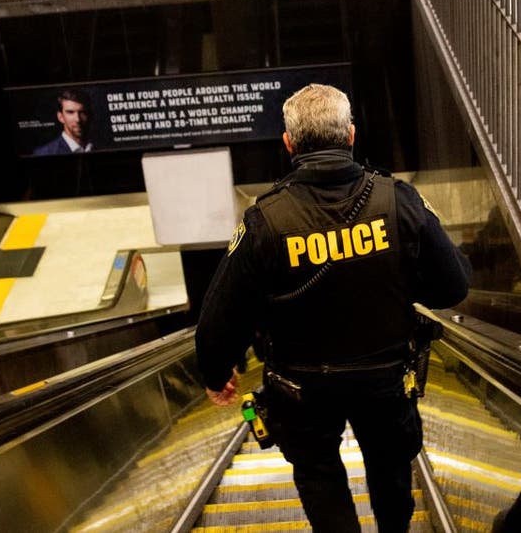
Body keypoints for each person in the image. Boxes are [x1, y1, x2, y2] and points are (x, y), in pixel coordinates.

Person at [196, 84, 472, 532]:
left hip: (299, 389)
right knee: (391, 470)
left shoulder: (263, 221)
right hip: (385, 379)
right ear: (350, 135)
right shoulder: (399, 200)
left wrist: (215, 373)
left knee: (319, 475)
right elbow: (453, 286)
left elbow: (221, 315)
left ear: (288, 144)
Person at [33, 89, 95, 155]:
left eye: (83, 112)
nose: (78, 119)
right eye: (70, 112)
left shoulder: (99, 147)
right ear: (60, 117)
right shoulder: (44, 153)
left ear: (90, 115)